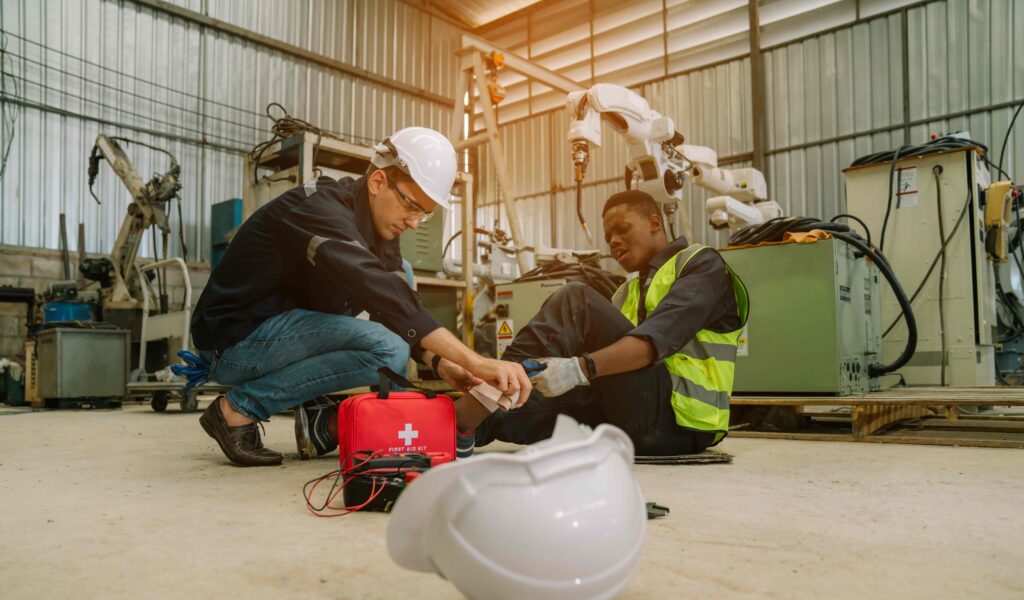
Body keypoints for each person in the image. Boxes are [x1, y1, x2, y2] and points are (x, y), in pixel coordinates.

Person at [190, 127, 530, 466]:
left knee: (403, 279)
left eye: (423, 214)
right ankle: (237, 410)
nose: (414, 223)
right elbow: (376, 290)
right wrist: (476, 361)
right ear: (378, 182)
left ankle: (323, 420)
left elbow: (396, 304)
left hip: (276, 332)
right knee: (387, 349)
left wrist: (441, 363)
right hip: (236, 341)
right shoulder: (320, 208)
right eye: (411, 206)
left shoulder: (379, 230)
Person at [452, 189, 750, 457]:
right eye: (608, 238)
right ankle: (454, 430)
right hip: (632, 421)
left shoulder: (700, 265)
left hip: (680, 422)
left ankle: (491, 387)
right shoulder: (627, 292)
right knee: (535, 403)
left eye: (622, 229)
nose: (614, 242)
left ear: (655, 223)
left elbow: (653, 343)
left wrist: (579, 368)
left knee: (575, 299)